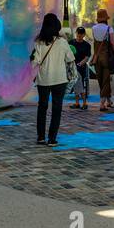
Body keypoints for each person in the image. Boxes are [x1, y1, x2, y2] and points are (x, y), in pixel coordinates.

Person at [30, 12, 75, 145]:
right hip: (59, 79)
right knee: (57, 109)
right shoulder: (62, 42)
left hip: (43, 79)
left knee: (42, 108)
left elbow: (35, 62)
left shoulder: (39, 42)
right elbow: (70, 58)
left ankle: (40, 137)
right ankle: (52, 138)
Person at [90, 8, 114, 112]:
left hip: (96, 58)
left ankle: (108, 100)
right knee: (106, 80)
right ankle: (102, 104)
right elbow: (113, 45)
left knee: (100, 80)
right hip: (106, 58)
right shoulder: (109, 29)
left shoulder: (93, 28)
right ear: (106, 18)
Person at [68, 26, 92, 110]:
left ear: (84, 34)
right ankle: (78, 103)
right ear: (76, 33)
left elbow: (87, 57)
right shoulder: (71, 43)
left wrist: (80, 63)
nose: (79, 35)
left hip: (81, 67)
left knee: (79, 83)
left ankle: (84, 102)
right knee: (76, 84)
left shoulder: (87, 45)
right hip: (71, 67)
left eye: (81, 34)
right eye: (78, 33)